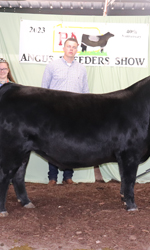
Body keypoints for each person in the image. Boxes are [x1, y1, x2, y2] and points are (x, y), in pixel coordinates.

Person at [41, 37, 89, 185]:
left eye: (74, 47)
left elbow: (85, 92)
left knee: (72, 144)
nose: (71, 49)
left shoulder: (81, 68)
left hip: (75, 112)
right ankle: (52, 177)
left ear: (77, 50)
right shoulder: (52, 66)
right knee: (52, 144)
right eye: (69, 46)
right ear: (64, 48)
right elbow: (44, 90)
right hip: (55, 112)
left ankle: (68, 176)